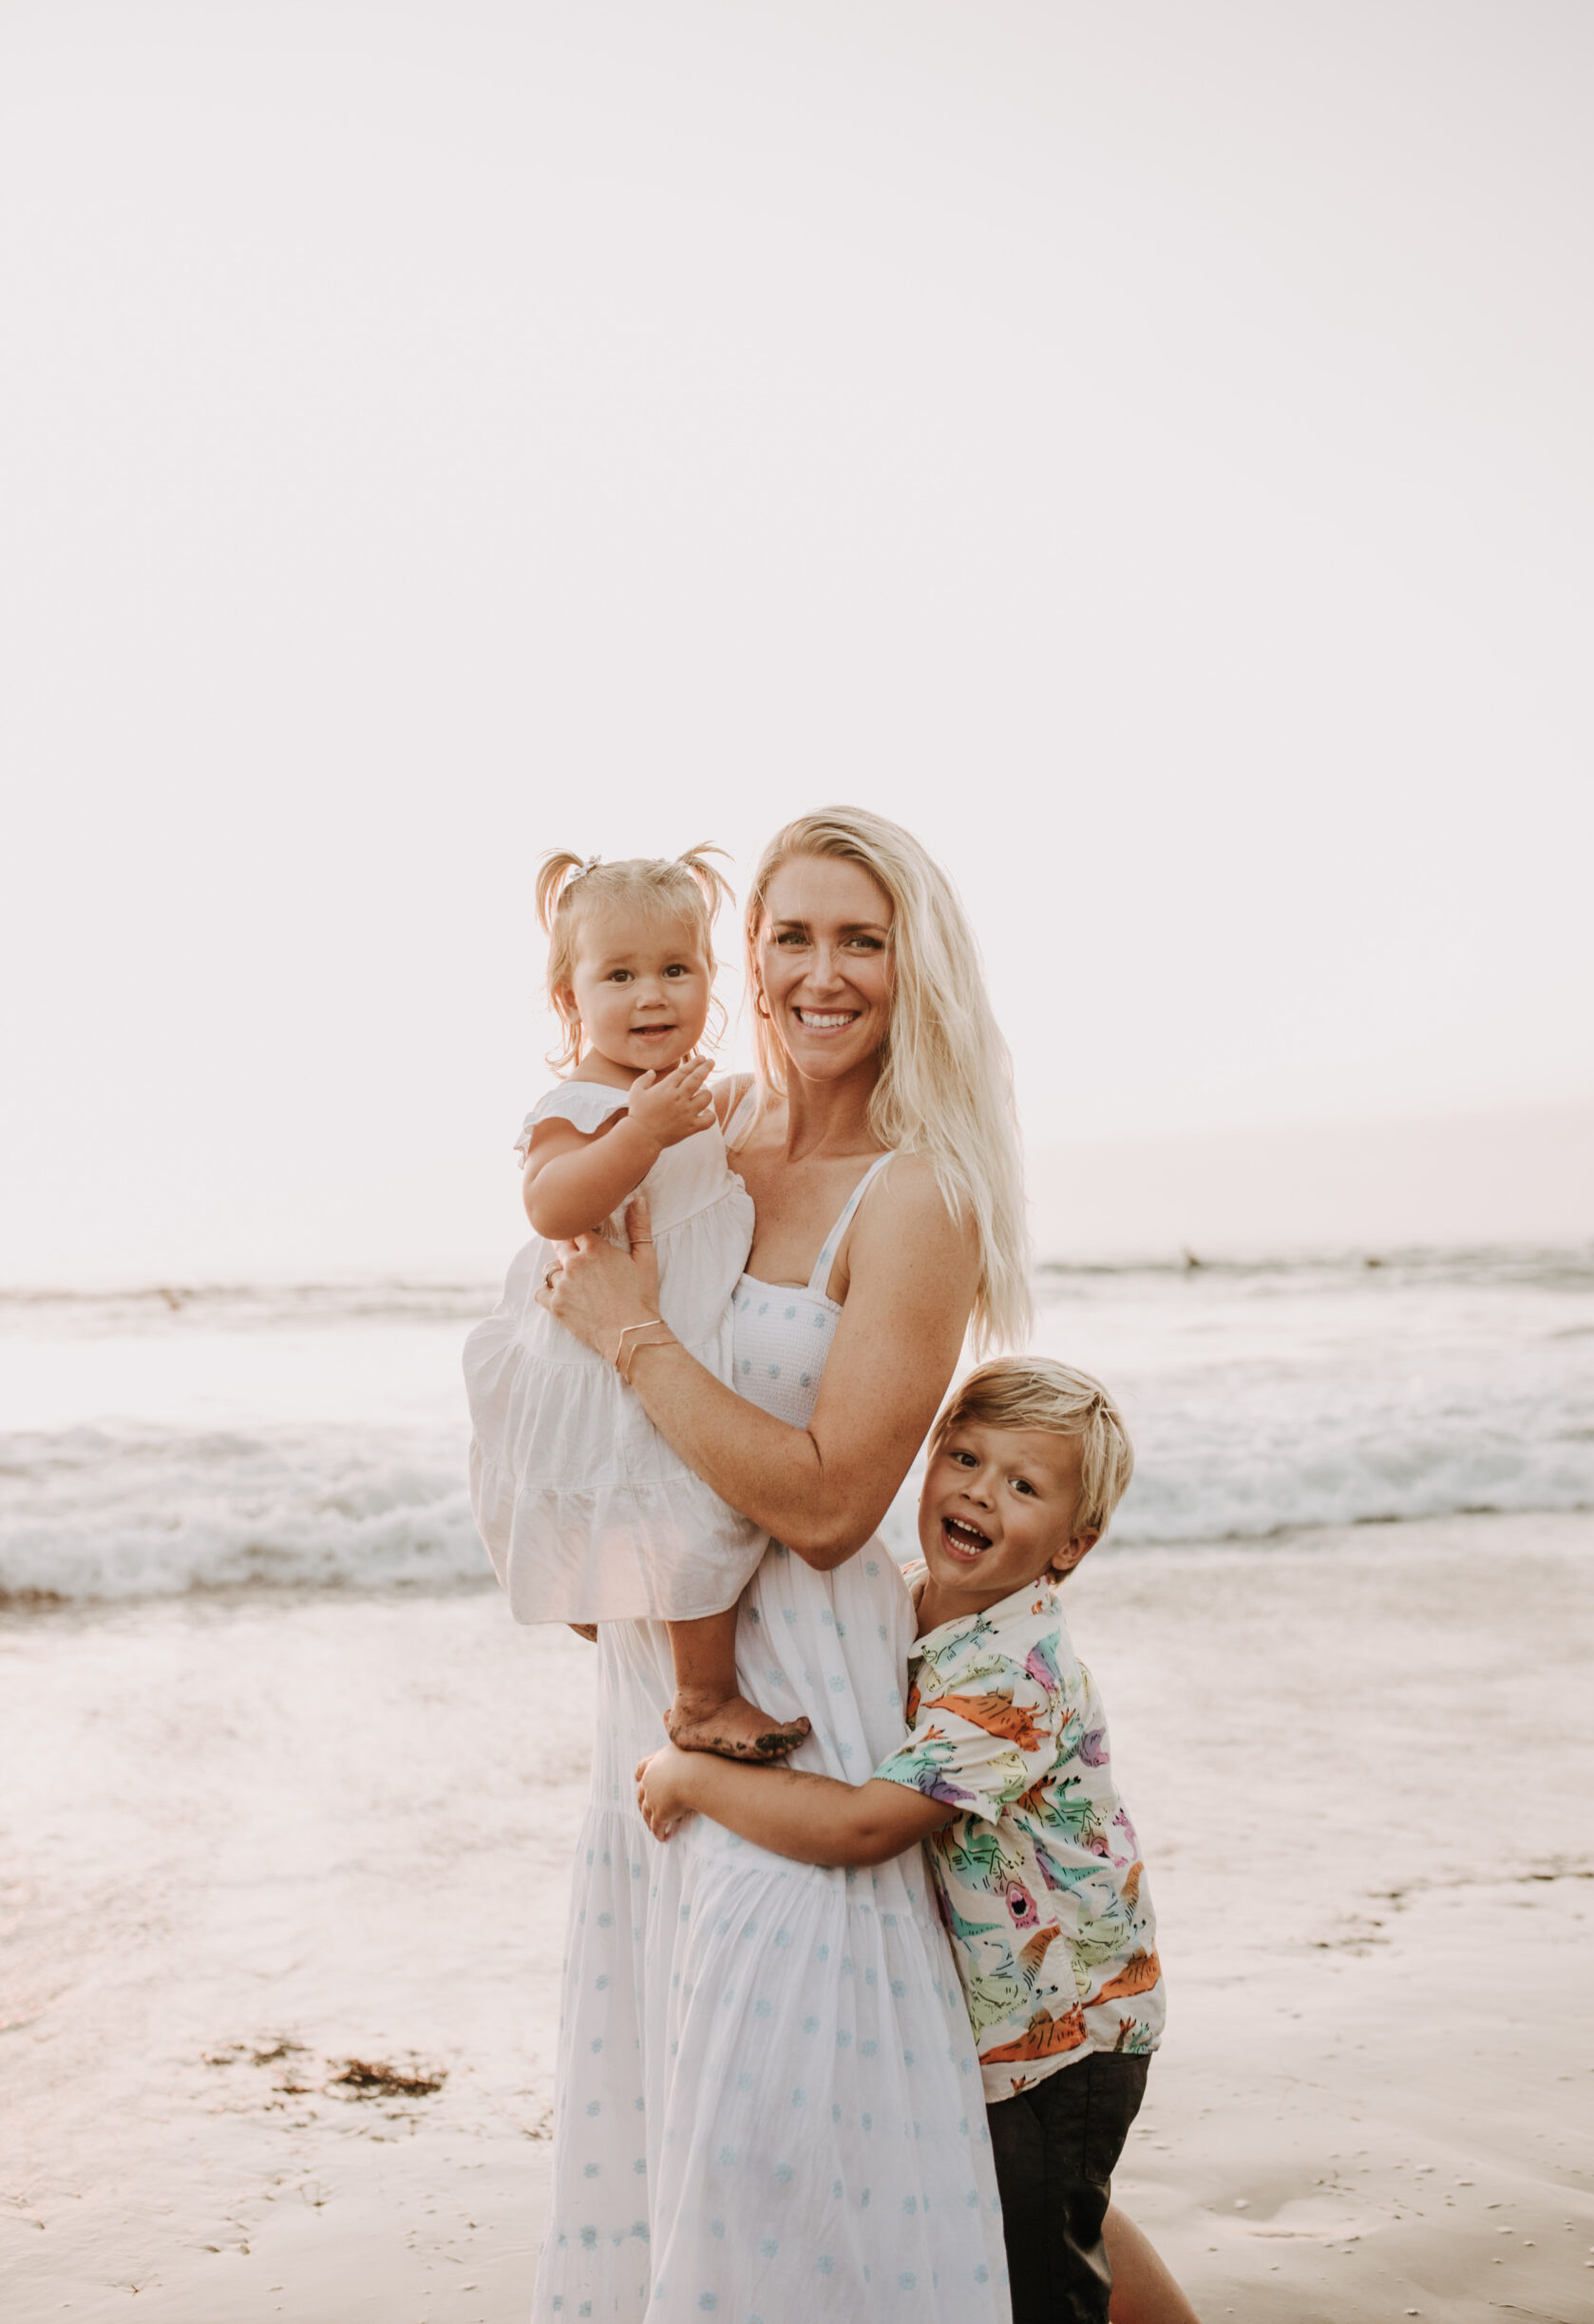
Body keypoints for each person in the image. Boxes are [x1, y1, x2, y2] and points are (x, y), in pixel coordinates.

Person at [535, 808, 1199, 2324]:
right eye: (789, 934)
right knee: (838, 2140)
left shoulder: (917, 1192)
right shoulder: (692, 1146)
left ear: (915, 971)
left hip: (808, 1716)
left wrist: (628, 1332)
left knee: (794, 2158)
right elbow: (611, 1429)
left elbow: (833, 1505)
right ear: (739, 958)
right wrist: (597, 1562)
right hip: (656, 1705)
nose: (818, 972)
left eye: (860, 939)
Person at [636, 1356, 1168, 2324]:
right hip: (1001, 2023)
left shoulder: (1013, 1673)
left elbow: (864, 1826)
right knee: (1053, 2217)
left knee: (1042, 2270)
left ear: (1072, 1546)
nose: (977, 1489)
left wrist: (695, 1778)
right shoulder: (908, 1600)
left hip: (1063, 2034)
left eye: (1023, 1483)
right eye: (964, 1456)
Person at [463, 846, 808, 1759]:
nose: (652, 995)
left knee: (673, 1510)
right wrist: (639, 1136)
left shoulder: (686, 1093)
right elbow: (551, 1203)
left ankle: (623, 1613)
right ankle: (701, 1697)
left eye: (675, 969)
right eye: (619, 975)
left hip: (673, 1335)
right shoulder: (579, 1101)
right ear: (570, 998)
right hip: (602, 1351)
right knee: (691, 1508)